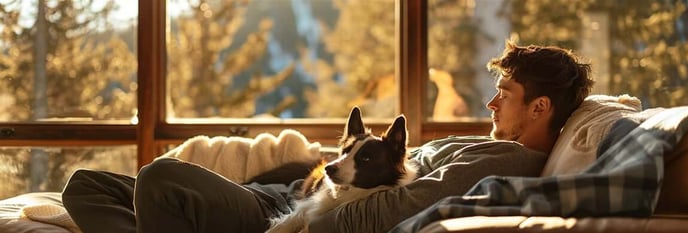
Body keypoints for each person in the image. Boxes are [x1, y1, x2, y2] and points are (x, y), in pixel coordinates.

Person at [61, 40, 594, 233]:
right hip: (285, 193)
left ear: (540, 106)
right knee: (84, 184)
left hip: (278, 217)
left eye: (505, 92)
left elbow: (399, 204)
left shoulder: (505, 160)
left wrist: (302, 224)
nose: (491, 101)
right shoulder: (487, 146)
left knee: (158, 176)